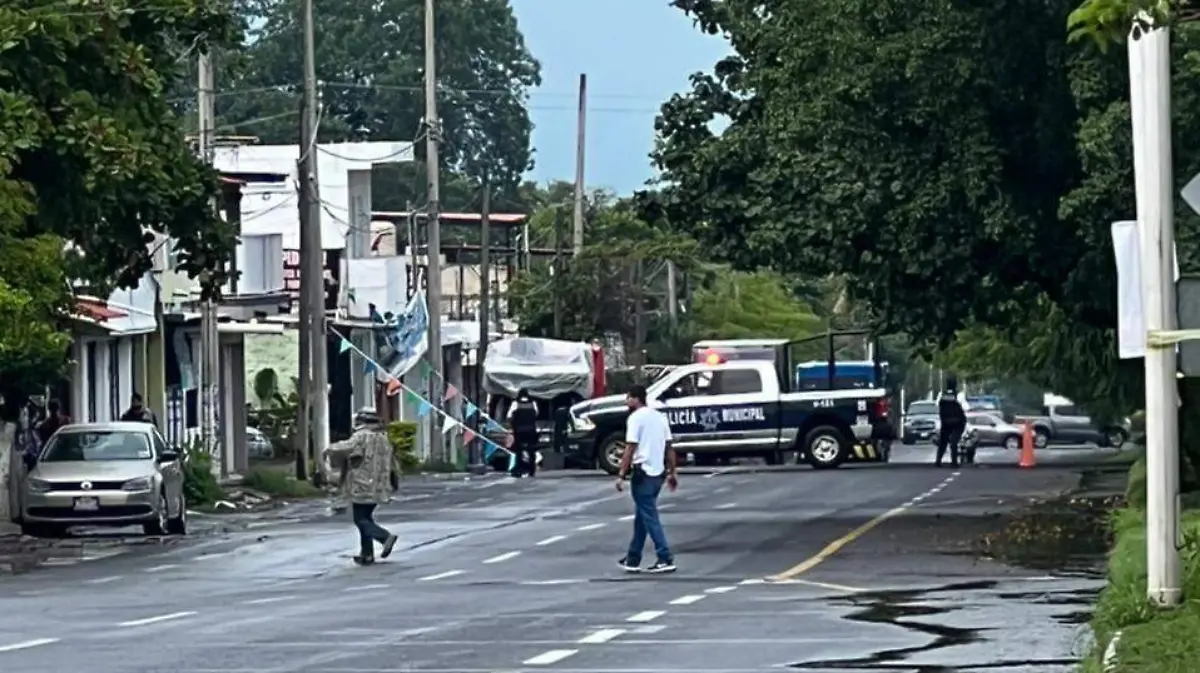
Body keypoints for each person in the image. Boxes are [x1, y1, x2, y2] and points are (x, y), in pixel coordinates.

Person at [323, 410, 399, 566]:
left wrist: (328, 449)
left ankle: (384, 537)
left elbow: (345, 448)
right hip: (380, 485)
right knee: (366, 517)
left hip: (362, 484)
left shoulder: (361, 436)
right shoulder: (384, 438)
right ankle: (367, 554)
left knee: (360, 519)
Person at [615, 384, 677, 573]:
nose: (626, 401)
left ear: (636, 399)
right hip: (658, 473)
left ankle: (664, 556)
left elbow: (630, 448)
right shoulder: (659, 417)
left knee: (649, 517)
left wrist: (621, 474)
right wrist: (672, 472)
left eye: (628, 397)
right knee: (642, 516)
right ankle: (633, 558)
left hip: (642, 473)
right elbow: (669, 447)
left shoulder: (635, 418)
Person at [935, 376, 967, 467]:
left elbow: (937, 406)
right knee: (954, 442)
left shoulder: (941, 394)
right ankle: (954, 462)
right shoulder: (959, 395)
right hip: (958, 423)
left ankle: (938, 461)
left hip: (946, 422)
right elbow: (966, 408)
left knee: (943, 442)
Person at [508, 389, 539, 477]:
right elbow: (536, 414)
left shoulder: (515, 403)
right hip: (531, 430)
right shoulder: (533, 403)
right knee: (531, 450)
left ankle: (519, 469)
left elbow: (509, 416)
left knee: (518, 450)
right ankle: (531, 470)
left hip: (519, 431)